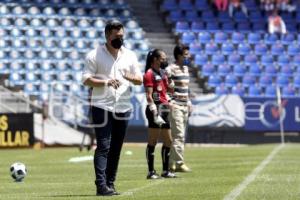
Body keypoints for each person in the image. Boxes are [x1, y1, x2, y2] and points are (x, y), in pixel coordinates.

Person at [82, 20, 142, 196]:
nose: (120, 39)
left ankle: (110, 183)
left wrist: (130, 77)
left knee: (116, 148)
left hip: (123, 107)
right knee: (103, 146)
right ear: (107, 36)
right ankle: (101, 185)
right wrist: (106, 82)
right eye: (116, 36)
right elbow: (86, 79)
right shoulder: (94, 55)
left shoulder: (130, 55)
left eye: (122, 36)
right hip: (101, 106)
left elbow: (139, 79)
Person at [143, 49, 176, 179]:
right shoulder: (149, 74)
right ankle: (151, 171)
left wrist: (171, 82)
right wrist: (154, 112)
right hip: (155, 110)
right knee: (153, 140)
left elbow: (170, 89)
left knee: (168, 140)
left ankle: (165, 170)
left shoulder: (163, 73)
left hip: (164, 109)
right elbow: (149, 95)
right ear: (155, 59)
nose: (165, 60)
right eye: (162, 58)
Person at [166, 44, 192, 173]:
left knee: (179, 136)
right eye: (186, 55)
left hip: (185, 105)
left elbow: (186, 88)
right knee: (179, 135)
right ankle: (180, 163)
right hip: (176, 105)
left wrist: (189, 102)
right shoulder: (171, 69)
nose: (188, 57)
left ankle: (171, 164)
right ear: (178, 56)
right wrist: (170, 102)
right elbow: (165, 87)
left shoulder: (186, 69)